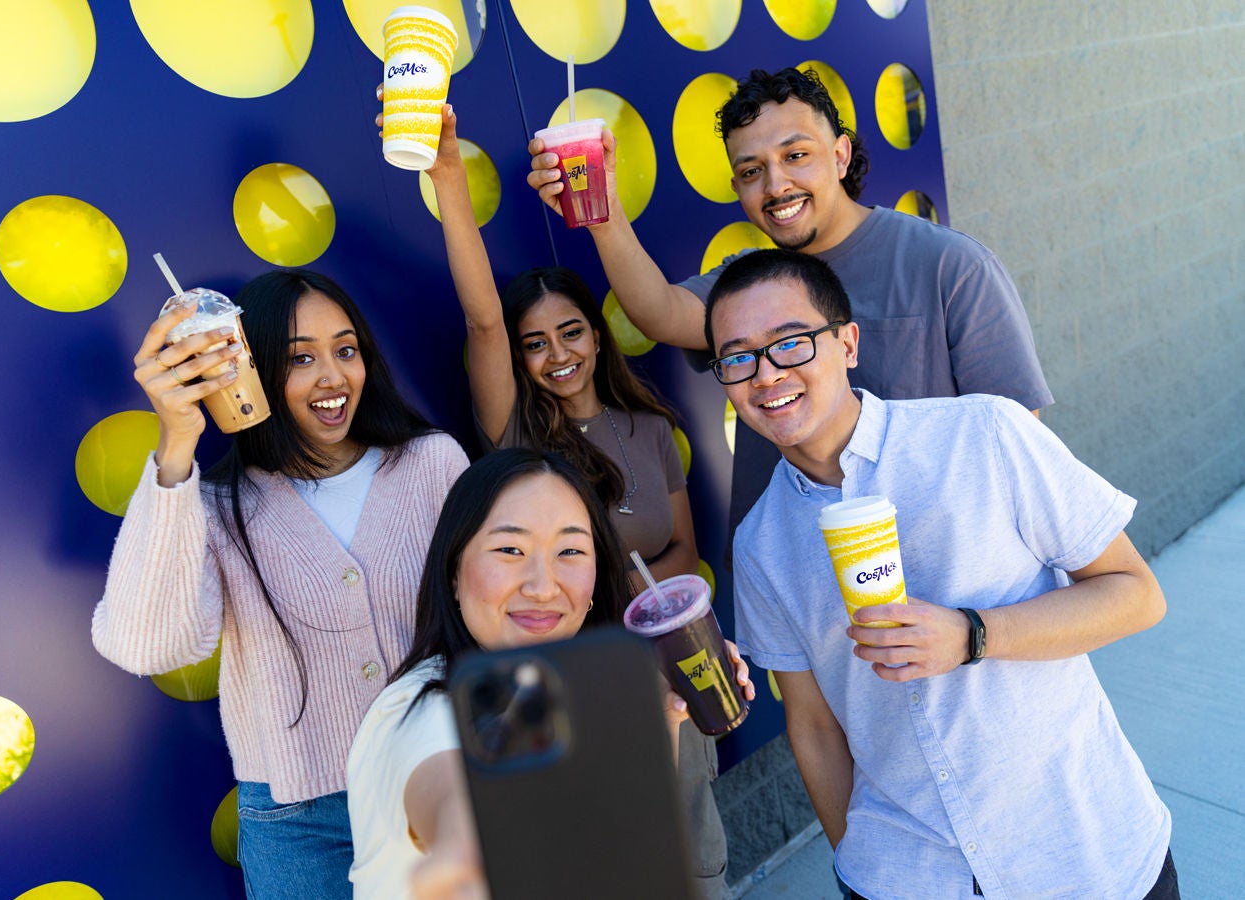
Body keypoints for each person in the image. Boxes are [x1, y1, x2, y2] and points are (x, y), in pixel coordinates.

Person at [705, 249, 1177, 899]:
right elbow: (813, 726)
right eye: (738, 357)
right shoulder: (762, 543)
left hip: (1084, 851)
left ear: (847, 343)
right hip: (907, 873)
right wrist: (857, 862)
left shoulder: (983, 433)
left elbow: (1137, 595)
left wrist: (970, 634)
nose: (766, 373)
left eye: (790, 342)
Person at [400, 99, 730, 896]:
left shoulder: (648, 428)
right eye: (535, 344)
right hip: (567, 686)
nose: (557, 356)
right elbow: (482, 321)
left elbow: (684, 552)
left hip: (665, 678)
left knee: (697, 862)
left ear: (597, 334)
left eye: (572, 332)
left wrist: (642, 614)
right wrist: (448, 179)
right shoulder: (516, 438)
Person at [527, 66, 1054, 544]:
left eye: (795, 155)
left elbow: (1014, 442)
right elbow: (660, 312)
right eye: (752, 170)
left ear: (841, 154)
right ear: (736, 186)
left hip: (932, 560)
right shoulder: (748, 284)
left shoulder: (952, 265)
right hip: (792, 570)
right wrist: (604, 211)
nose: (776, 185)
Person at [91, 270, 469, 899]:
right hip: (301, 822)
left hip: (441, 782)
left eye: (345, 350)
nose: (332, 377)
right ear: (252, 366)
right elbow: (145, 646)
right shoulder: (211, 506)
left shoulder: (430, 463)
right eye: (300, 358)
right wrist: (178, 439)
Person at [346, 448, 756, 898]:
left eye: (570, 550)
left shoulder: (572, 692)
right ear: (454, 575)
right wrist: (469, 843)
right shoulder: (418, 708)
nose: (543, 587)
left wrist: (663, 715)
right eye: (509, 549)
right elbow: (447, 787)